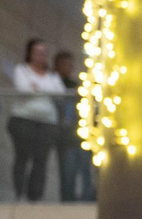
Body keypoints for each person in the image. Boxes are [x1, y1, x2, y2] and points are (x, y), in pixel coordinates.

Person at [9, 38, 67, 201]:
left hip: (47, 123)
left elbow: (60, 94)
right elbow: (23, 89)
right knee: (22, 157)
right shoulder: (22, 70)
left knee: (41, 160)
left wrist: (36, 87)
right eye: (38, 53)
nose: (42, 56)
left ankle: (35, 197)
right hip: (23, 119)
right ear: (30, 54)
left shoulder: (53, 76)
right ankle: (19, 194)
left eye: (45, 53)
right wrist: (45, 90)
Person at [52, 51, 92, 202]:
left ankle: (87, 199)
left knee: (85, 171)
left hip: (80, 136)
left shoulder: (76, 86)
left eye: (71, 64)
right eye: (65, 64)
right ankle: (68, 201)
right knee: (68, 173)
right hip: (65, 137)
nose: (69, 67)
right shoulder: (53, 84)